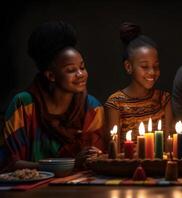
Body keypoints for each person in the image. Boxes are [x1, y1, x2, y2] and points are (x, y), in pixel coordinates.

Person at [0, 21, 106, 171]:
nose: (81, 74)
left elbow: (96, 160)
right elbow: (10, 163)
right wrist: (67, 165)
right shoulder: (24, 105)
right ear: (51, 75)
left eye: (82, 67)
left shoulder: (92, 107)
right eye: (71, 70)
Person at [105, 22, 173, 152]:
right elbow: (113, 150)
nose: (152, 72)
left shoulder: (164, 99)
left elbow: (168, 145)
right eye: (145, 66)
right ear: (129, 67)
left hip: (159, 167)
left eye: (156, 66)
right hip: (127, 168)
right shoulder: (116, 103)